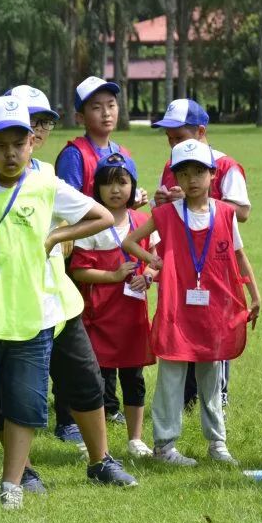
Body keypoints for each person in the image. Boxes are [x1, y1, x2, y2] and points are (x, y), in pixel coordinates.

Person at [0, 96, 119, 509]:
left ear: (32, 143)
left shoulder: (47, 186)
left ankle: (12, 483)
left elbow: (102, 216)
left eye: (19, 143)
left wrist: (56, 237)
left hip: (32, 316)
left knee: (26, 401)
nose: (10, 153)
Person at [0, 86, 139, 493]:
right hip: (5, 302)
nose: (40, 130)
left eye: (45, 122)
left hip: (55, 295)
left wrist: (62, 234)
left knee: (84, 377)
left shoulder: (48, 173)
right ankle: (24, 469)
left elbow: (94, 217)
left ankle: (101, 461)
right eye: (33, 122)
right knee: (9, 389)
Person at [123, 140, 260, 466]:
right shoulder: (166, 214)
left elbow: (239, 256)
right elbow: (129, 241)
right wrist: (156, 261)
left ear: (213, 174)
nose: (192, 179)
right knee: (171, 378)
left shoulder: (225, 214)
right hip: (176, 311)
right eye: (183, 173)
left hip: (213, 312)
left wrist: (256, 294)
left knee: (212, 380)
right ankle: (164, 447)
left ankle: (217, 443)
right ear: (175, 178)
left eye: (199, 171)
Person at [150, 99, 251, 410]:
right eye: (168, 138)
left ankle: (217, 393)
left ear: (201, 131)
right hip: (180, 264)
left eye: (179, 137)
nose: (172, 144)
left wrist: (202, 200)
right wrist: (162, 203)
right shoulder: (172, 165)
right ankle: (186, 396)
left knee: (215, 324)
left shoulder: (224, 165)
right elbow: (161, 215)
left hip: (214, 263)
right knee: (181, 322)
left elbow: (243, 211)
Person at [70, 153, 158, 458]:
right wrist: (112, 275)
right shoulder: (92, 224)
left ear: (134, 186)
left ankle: (136, 439)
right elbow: (78, 270)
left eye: (122, 182)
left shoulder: (145, 222)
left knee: (134, 379)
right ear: (97, 189)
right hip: (100, 318)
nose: (116, 190)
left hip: (133, 318)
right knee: (99, 381)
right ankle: (98, 442)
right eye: (107, 183)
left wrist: (147, 275)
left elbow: (158, 262)